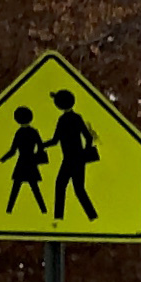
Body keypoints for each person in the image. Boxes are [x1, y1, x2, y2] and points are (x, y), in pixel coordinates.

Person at [44, 90, 99, 224]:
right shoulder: (76, 118)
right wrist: (84, 153)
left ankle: (59, 218)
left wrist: (41, 145)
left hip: (70, 159)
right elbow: (88, 137)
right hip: (77, 159)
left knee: (61, 186)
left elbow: (55, 140)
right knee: (77, 189)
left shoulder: (63, 120)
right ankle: (92, 217)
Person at [0, 103, 44, 214]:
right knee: (34, 188)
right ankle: (43, 210)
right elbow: (41, 147)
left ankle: (9, 210)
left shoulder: (20, 133)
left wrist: (3, 159)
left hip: (22, 163)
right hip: (31, 162)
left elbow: (13, 151)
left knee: (17, 188)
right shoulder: (33, 132)